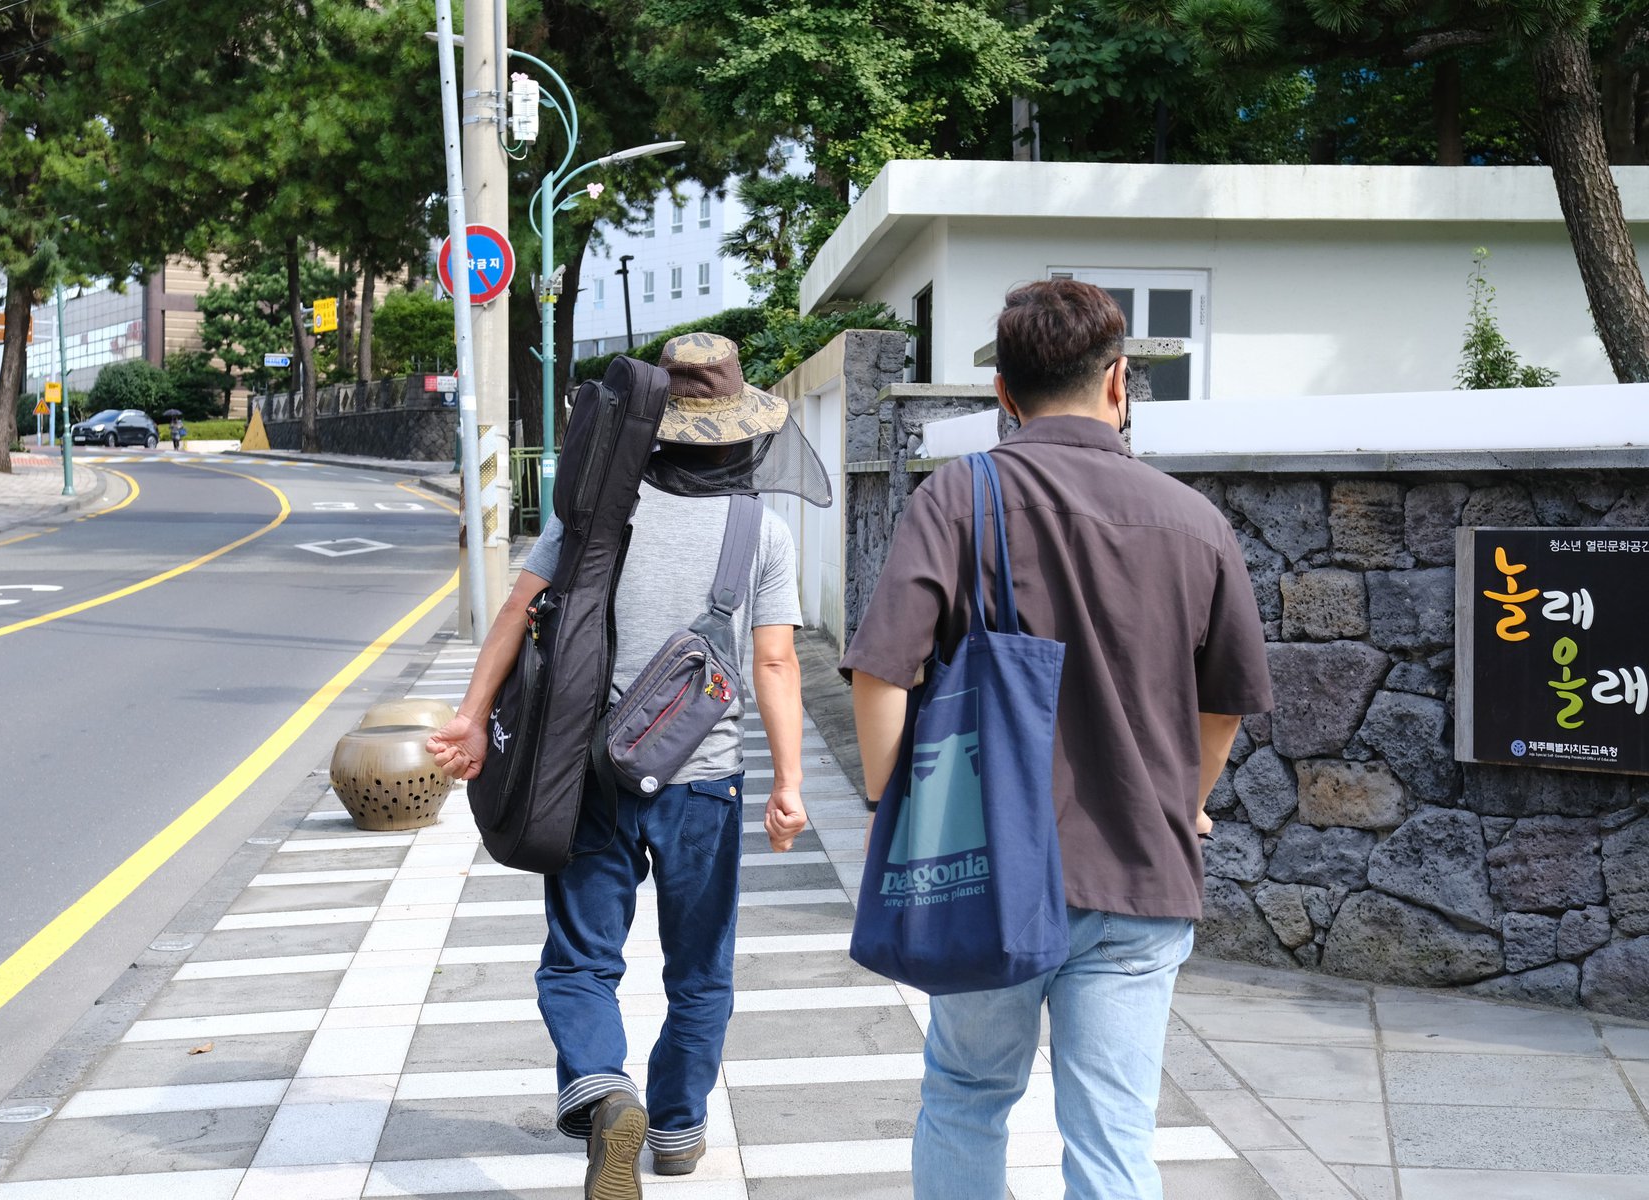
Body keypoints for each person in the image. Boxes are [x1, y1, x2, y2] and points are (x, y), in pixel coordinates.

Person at [843, 280, 1272, 1200]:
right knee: (1114, 1130)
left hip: (984, 866)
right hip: (1139, 871)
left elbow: (882, 671)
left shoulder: (962, 498)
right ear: (1120, 382)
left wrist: (893, 802)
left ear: (1003, 392)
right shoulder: (1196, 522)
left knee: (965, 1092)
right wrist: (1186, 805)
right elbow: (1226, 704)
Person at [429, 333, 811, 1200]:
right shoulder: (762, 530)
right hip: (703, 780)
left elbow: (519, 614)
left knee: (579, 960)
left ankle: (605, 1089)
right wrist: (787, 784)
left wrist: (469, 717)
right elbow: (777, 665)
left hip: (586, 774)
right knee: (700, 968)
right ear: (737, 432)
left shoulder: (596, 509)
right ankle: (675, 1129)